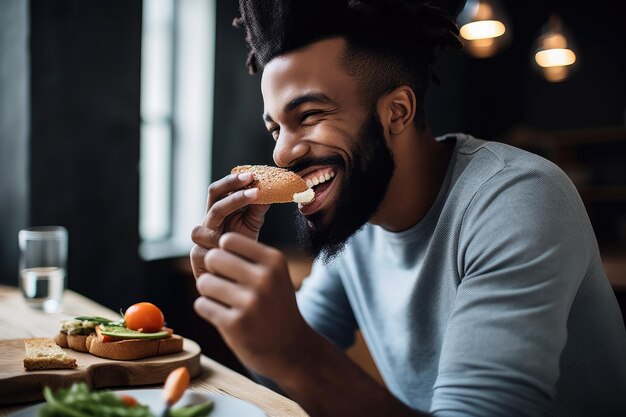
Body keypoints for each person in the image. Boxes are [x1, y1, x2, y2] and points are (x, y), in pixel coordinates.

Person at [190, 1, 626, 416]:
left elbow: (298, 363)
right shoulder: (357, 218)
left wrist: (296, 352)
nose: (282, 154)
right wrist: (237, 306)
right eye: (276, 129)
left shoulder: (518, 197)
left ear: (396, 111)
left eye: (309, 115)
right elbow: (283, 383)